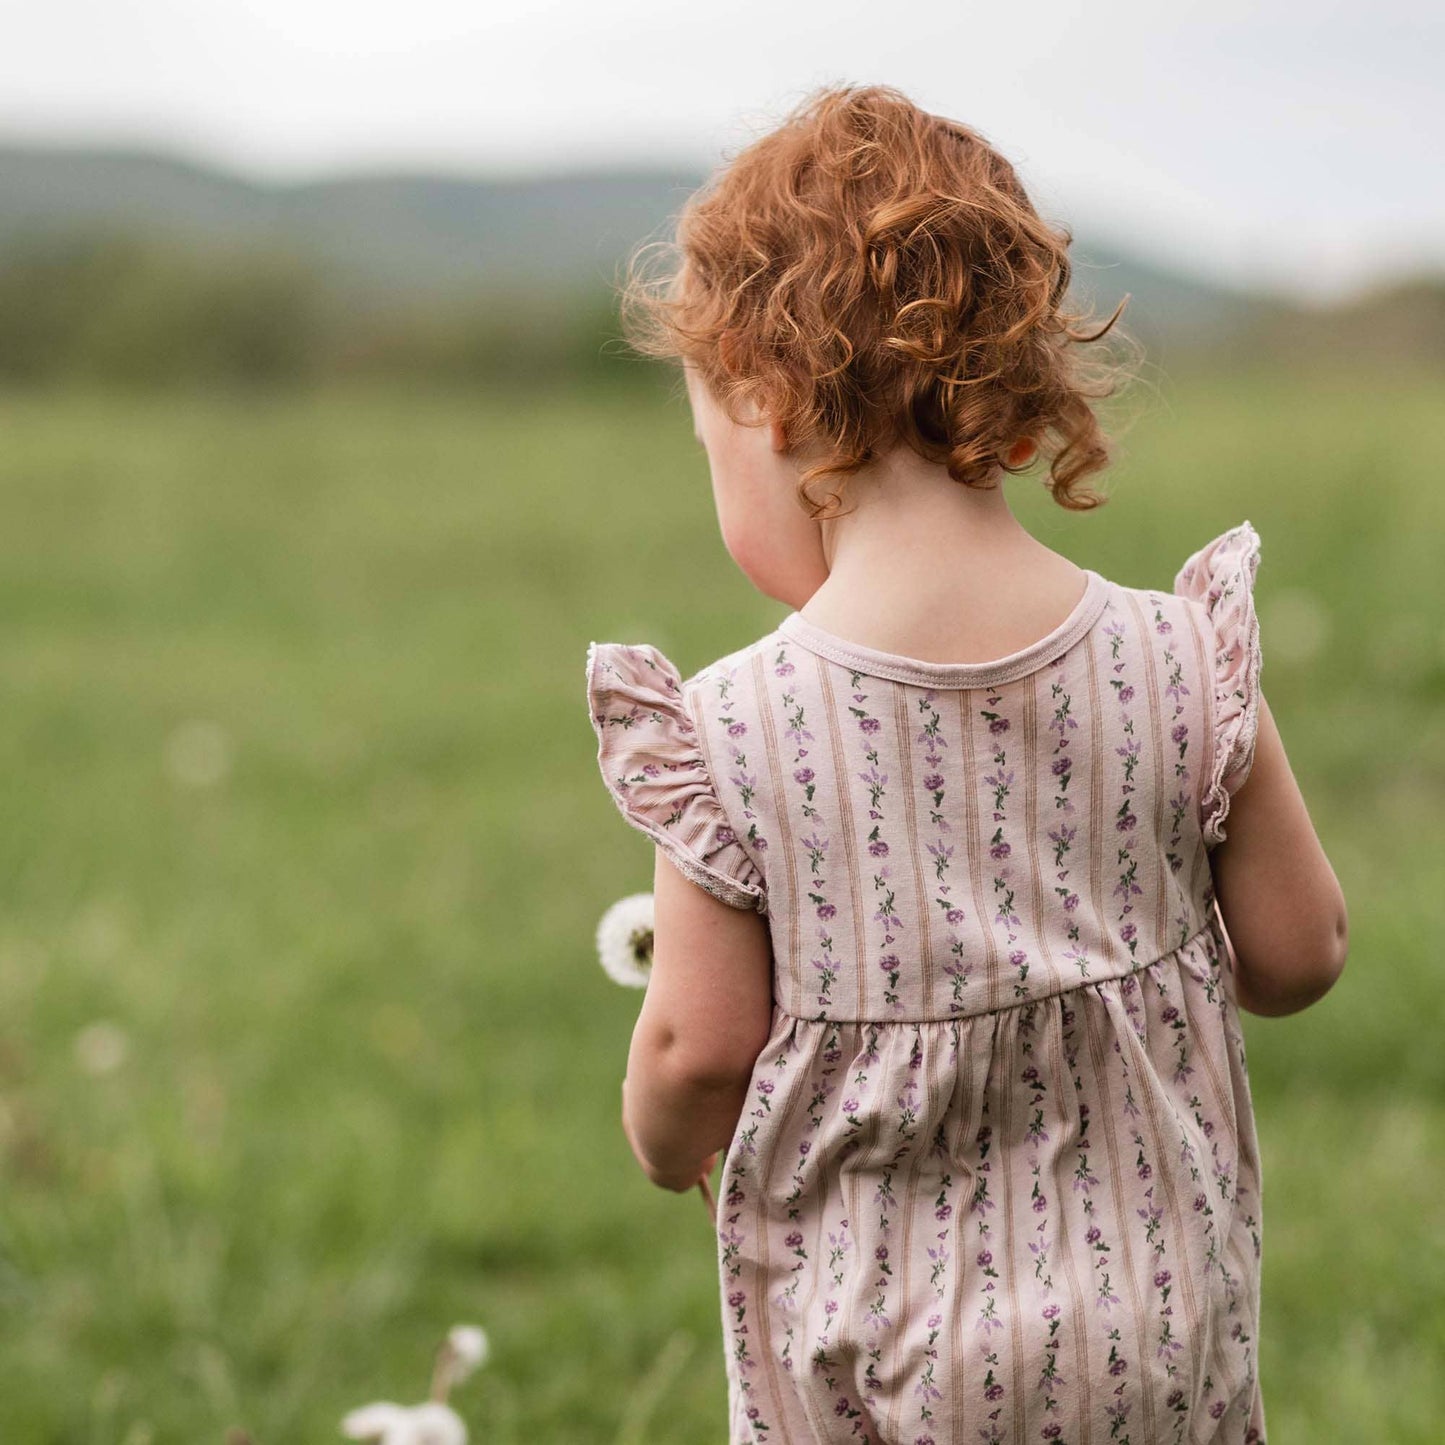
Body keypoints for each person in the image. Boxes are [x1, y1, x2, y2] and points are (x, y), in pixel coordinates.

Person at [584, 82, 1347, 1445]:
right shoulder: (1179, 659)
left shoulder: (737, 731)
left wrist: (660, 1134)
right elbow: (1296, 953)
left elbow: (698, 1043)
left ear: (761, 400)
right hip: (1157, 1335)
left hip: (877, 1353)